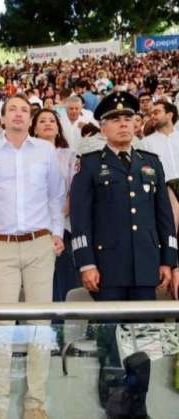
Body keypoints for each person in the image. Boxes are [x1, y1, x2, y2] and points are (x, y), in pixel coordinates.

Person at [70, 92, 178, 419]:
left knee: (143, 342)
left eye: (128, 118)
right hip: (108, 268)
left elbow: (164, 218)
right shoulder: (90, 165)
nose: (123, 124)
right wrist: (86, 262)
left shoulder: (151, 162)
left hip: (146, 266)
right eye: (116, 120)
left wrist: (169, 262)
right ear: (103, 127)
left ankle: (138, 401)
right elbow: (80, 217)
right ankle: (115, 405)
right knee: (113, 340)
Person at [0, 94, 66, 419]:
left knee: (40, 324)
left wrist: (56, 234)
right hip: (0, 247)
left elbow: (56, 196)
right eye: (13, 109)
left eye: (25, 110)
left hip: (40, 245)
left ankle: (35, 404)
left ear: (31, 117)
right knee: (1, 326)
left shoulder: (46, 151)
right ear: (3, 115)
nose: (19, 115)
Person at [30, 109, 80, 302]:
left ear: (58, 128)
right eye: (42, 121)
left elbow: (74, 191)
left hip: (64, 226)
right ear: (34, 128)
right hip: (36, 227)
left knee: (66, 280)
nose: (48, 124)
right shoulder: (25, 156)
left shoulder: (70, 155)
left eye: (52, 120)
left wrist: (57, 221)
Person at [138, 100, 179, 198]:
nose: (152, 116)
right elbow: (146, 170)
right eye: (151, 113)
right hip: (164, 193)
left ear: (169, 115)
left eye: (156, 113)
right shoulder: (145, 143)